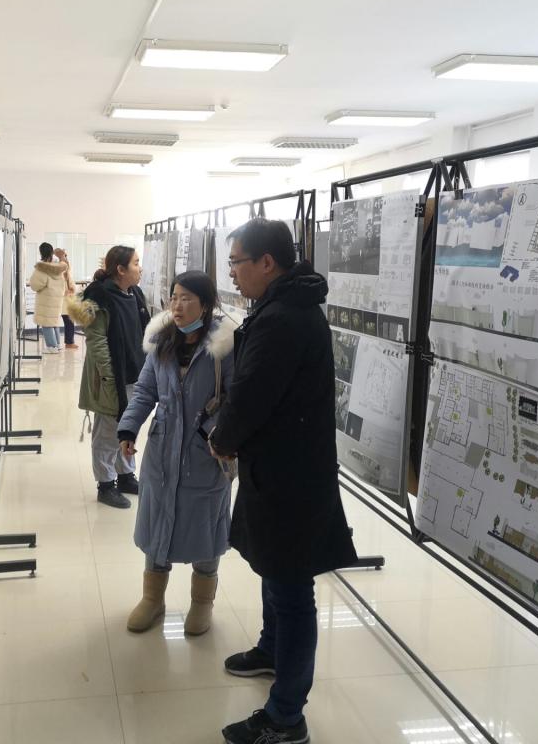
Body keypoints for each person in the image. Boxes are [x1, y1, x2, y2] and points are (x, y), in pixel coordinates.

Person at [207, 218, 358, 744]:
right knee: (274, 569)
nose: (232, 273)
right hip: (279, 467)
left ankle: (286, 717)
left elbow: (252, 395)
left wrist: (223, 438)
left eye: (236, 263)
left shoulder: (284, 318)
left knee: (292, 588)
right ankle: (273, 650)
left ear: (266, 263)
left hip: (290, 477)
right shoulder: (284, 307)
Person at [117, 271, 235, 636]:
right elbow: (145, 390)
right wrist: (128, 427)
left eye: (186, 298)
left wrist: (215, 432)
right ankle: (153, 599)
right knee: (158, 524)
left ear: (206, 304)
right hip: (162, 450)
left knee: (205, 528)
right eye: (174, 297)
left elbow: (236, 399)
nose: (177, 306)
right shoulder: (162, 341)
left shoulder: (225, 347)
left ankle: (202, 603)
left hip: (206, 452)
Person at [68, 246, 149, 508]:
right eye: (136, 263)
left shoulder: (135, 293)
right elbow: (97, 341)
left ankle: (125, 475)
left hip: (134, 373)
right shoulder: (100, 296)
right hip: (111, 377)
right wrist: (108, 378)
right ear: (121, 269)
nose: (140, 268)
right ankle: (105, 484)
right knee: (107, 432)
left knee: (129, 425)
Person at [28, 242, 69, 354]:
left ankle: (52, 346)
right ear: (52, 252)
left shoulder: (42, 268)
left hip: (46, 300)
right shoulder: (58, 266)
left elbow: (35, 285)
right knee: (54, 322)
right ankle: (57, 345)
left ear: (41, 252)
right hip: (57, 299)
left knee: (46, 323)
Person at [56, 247, 79, 349]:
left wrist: (72, 289)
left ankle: (68, 342)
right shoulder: (61, 268)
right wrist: (66, 291)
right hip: (64, 300)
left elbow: (70, 282)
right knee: (69, 321)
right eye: (64, 255)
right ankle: (69, 342)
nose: (66, 257)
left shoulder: (65, 268)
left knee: (69, 321)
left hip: (67, 299)